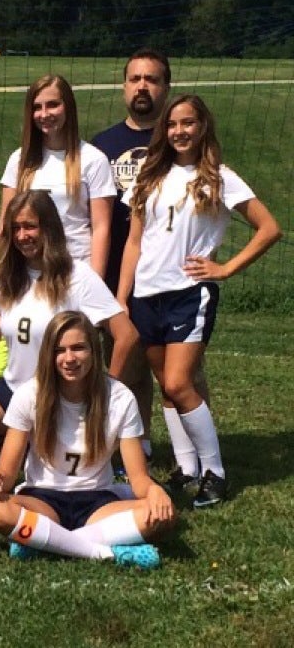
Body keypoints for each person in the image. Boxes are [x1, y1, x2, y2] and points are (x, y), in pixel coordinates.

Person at [118, 94, 281, 507]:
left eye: (188, 123)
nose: (180, 131)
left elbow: (269, 228)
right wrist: (122, 296)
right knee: (166, 389)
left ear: (203, 126)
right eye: (172, 125)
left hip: (189, 294)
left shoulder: (220, 178)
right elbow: (134, 242)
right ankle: (186, 469)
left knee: (179, 383)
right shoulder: (148, 176)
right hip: (146, 294)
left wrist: (225, 268)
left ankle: (215, 472)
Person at [0, 311, 174, 569]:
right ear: (49, 355)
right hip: (42, 500)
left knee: (162, 514)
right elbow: (7, 475)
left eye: (78, 348)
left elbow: (138, 479)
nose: (69, 359)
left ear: (94, 351)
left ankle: (42, 541)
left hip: (97, 501)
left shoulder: (120, 398)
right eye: (60, 350)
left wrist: (155, 491)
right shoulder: (29, 395)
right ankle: (107, 552)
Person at [0, 190, 138, 436]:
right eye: (15, 228)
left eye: (30, 227)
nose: (22, 236)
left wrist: (106, 390)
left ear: (48, 228)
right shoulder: (6, 277)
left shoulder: (76, 275)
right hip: (12, 393)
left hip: (59, 402)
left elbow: (127, 335)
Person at [90, 48, 173, 460]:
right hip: (113, 276)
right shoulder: (101, 146)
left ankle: (191, 446)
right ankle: (136, 445)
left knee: (179, 373)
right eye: (135, 78)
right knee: (127, 367)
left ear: (166, 88)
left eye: (152, 79)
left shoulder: (179, 140)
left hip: (168, 275)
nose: (143, 86)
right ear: (124, 86)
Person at [0, 75, 115, 277]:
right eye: (37, 107)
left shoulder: (93, 160)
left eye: (53, 105)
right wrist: (1, 274)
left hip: (75, 271)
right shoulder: (19, 160)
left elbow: (101, 229)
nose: (44, 114)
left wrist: (96, 283)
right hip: (28, 273)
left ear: (68, 107)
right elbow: (5, 225)